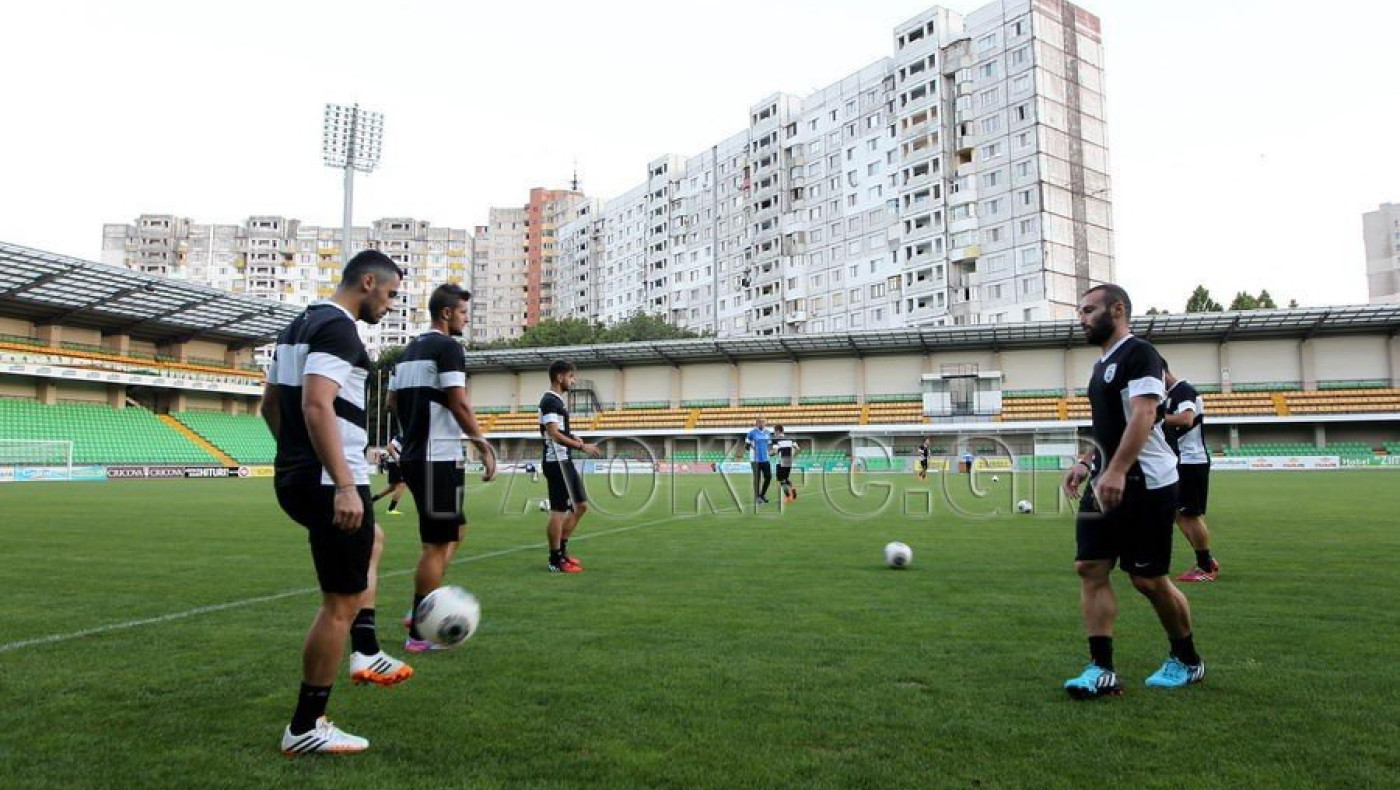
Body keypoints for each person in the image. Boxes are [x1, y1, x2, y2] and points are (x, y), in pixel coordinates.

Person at [261, 250, 412, 756]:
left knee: (374, 540)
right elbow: (315, 403)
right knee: (339, 605)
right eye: (390, 294)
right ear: (368, 282)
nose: (390, 304)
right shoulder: (339, 329)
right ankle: (306, 725)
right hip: (331, 480)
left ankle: (366, 650)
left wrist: (295, 456)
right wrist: (343, 483)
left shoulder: (296, 327)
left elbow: (270, 405)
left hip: (303, 475)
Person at [1061, 283, 1204, 699]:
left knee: (1148, 580)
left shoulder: (1140, 353)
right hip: (1106, 477)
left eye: (1089, 310)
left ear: (1117, 310)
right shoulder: (1100, 366)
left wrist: (1118, 470)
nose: (1082, 318)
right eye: (1080, 312)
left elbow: (1144, 414)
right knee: (1090, 567)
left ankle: (1187, 659)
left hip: (1146, 481)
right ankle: (1101, 669)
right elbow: (1108, 427)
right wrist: (1087, 461)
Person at [391, 284, 497, 653]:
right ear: (447, 313)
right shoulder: (449, 348)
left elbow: (392, 401)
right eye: (464, 313)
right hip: (437, 457)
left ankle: (423, 604)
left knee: (456, 530)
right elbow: (459, 403)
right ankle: (419, 630)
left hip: (416, 456)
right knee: (436, 546)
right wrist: (484, 447)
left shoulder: (407, 352)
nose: (466, 319)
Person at [539, 360, 601, 573]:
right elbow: (553, 433)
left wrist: (572, 436)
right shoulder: (550, 401)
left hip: (564, 460)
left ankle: (562, 551)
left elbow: (559, 431)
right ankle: (555, 559)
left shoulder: (557, 401)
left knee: (581, 506)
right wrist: (582, 446)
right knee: (558, 511)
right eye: (571, 376)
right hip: (556, 462)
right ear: (559, 377)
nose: (573, 381)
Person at [1162, 361, 1218, 582]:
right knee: (1179, 513)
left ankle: (1206, 567)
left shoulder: (1183, 390)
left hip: (1191, 461)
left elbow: (1187, 419)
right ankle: (1206, 560)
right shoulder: (1170, 395)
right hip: (1181, 461)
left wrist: (1156, 417)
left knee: (1189, 514)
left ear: (1163, 372)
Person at [371, 435, 406, 515]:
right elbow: (389, 447)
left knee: (392, 487)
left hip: (395, 463)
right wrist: (397, 458)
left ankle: (370, 501)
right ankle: (391, 509)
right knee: (402, 485)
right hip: (396, 464)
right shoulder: (401, 436)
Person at [744, 417, 774, 505]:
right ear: (756, 423)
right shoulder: (751, 433)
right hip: (755, 459)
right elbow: (746, 446)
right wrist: (753, 449)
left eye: (763, 422)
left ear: (765, 423)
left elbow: (769, 445)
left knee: (768, 476)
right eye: (760, 422)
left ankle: (762, 495)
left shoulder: (768, 433)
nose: (762, 423)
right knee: (757, 478)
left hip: (765, 458)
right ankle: (757, 497)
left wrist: (770, 451)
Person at [773, 425, 799, 502]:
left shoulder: (776, 440)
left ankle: (788, 496)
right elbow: (798, 448)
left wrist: (769, 454)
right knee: (786, 478)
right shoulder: (790, 438)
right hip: (788, 461)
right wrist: (792, 456)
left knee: (780, 480)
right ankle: (793, 488)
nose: (774, 433)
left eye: (775, 431)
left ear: (778, 431)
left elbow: (775, 451)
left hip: (781, 462)